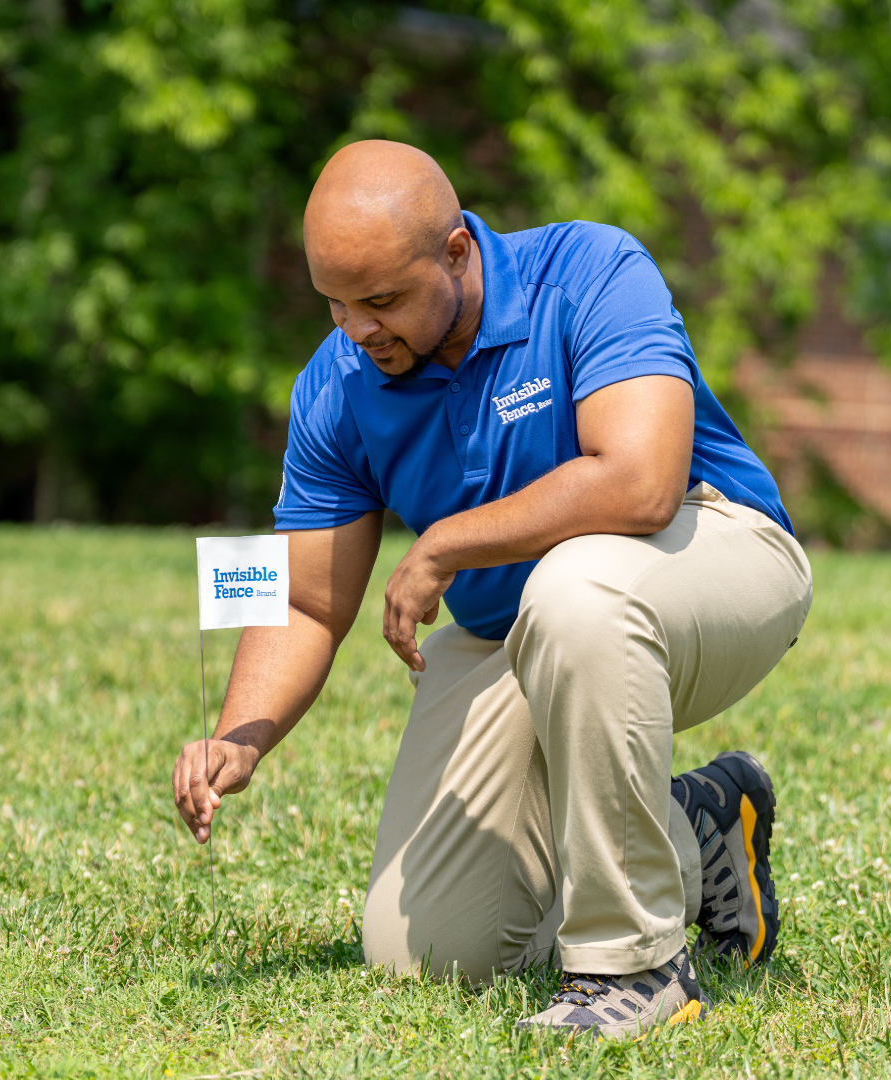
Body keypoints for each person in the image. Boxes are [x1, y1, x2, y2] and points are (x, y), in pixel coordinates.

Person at [172, 139, 812, 1039]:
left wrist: (446, 544)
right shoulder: (338, 383)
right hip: (512, 624)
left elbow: (640, 482)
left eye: (383, 300)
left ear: (457, 253)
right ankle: (697, 825)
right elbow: (311, 599)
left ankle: (636, 968)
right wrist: (240, 735)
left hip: (711, 554)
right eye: (337, 303)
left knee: (579, 592)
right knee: (426, 948)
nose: (358, 329)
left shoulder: (589, 270)